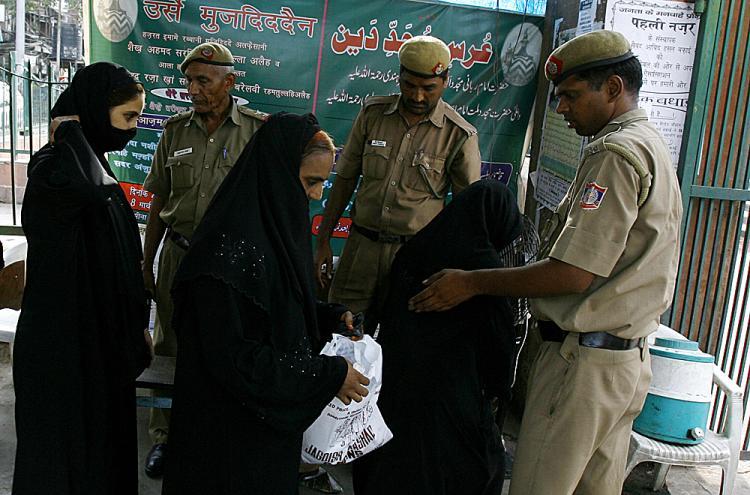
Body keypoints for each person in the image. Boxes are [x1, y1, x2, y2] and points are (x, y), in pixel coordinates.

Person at [408, 30, 683, 495]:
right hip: (625, 361)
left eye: (572, 96)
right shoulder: (649, 142)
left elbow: (574, 272)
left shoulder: (615, 155)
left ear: (613, 89)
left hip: (582, 365)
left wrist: (471, 283)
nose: (562, 109)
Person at [162, 112, 370, 495]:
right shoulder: (222, 259)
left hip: (264, 435)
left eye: (322, 183)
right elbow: (236, 360)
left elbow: (278, 305)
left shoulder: (273, 231)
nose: (316, 194)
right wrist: (327, 375)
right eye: (311, 181)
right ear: (277, 172)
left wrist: (328, 317)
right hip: (225, 444)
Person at [12, 62, 152, 495]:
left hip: (97, 345)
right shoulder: (55, 169)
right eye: (127, 117)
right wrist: (70, 133)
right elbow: (85, 194)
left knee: (100, 458)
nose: (132, 129)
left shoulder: (92, 164)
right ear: (92, 110)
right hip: (62, 351)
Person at [352, 179, 526, 495]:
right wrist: (499, 391)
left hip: (394, 394)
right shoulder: (485, 274)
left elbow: (383, 312)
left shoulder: (416, 250)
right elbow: (500, 350)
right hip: (454, 406)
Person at [141, 42, 266, 477]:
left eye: (203, 81)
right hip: (179, 255)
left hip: (229, 266)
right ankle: (165, 438)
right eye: (189, 81)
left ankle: (216, 435)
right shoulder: (175, 130)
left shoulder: (256, 131)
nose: (193, 89)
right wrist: (147, 262)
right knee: (170, 346)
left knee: (225, 347)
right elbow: (160, 199)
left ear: (230, 82)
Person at [314, 35, 481, 336]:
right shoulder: (372, 114)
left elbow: (468, 212)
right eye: (409, 85)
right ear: (399, 77)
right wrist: (324, 239)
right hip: (360, 251)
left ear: (445, 81)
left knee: (404, 348)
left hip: (415, 260)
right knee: (341, 337)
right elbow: (345, 179)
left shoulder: (459, 135)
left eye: (428, 88)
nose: (417, 96)